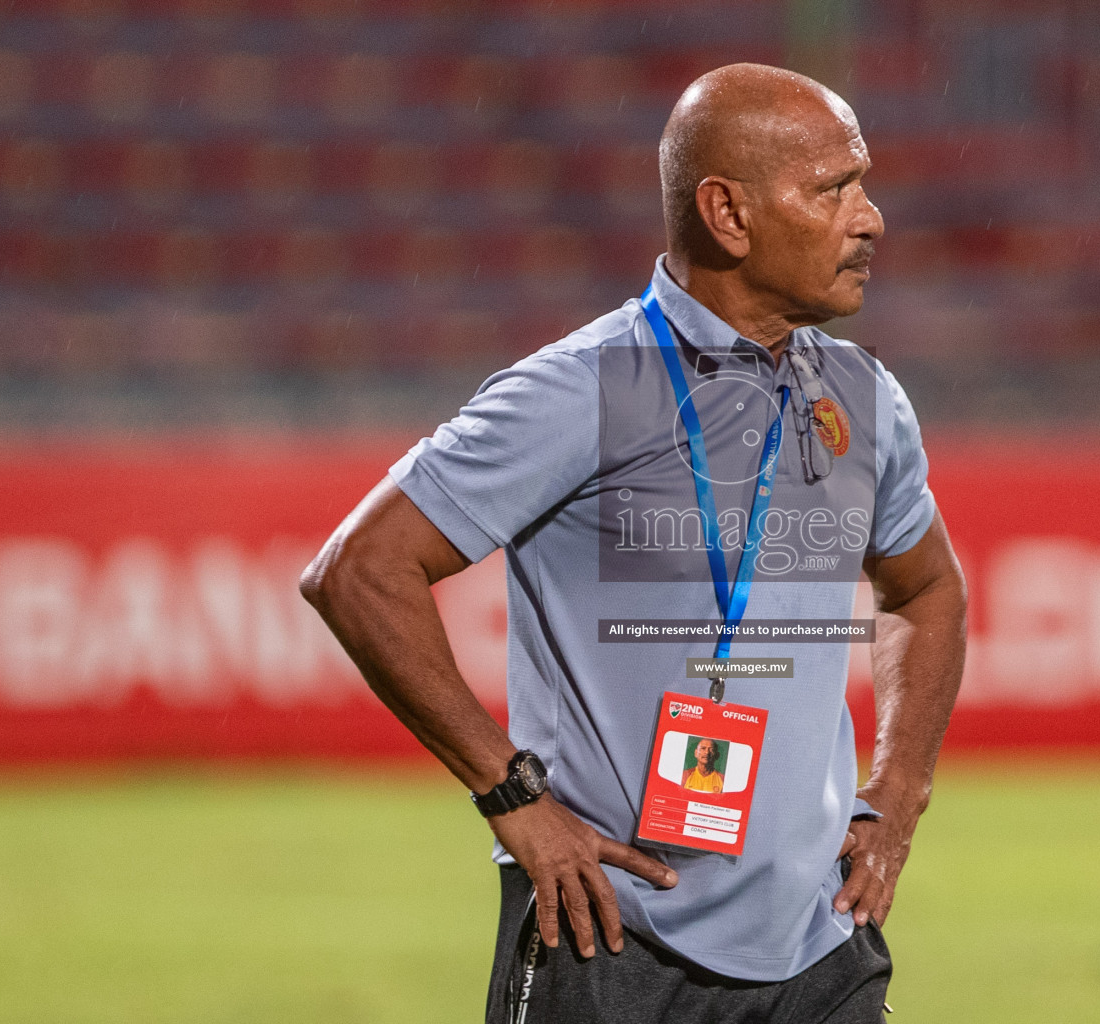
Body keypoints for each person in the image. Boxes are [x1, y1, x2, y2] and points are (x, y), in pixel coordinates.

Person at [301, 62, 967, 1024]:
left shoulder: (861, 400)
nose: (869, 219)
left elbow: (925, 592)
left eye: (861, 184)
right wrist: (514, 800)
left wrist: (898, 790)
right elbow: (359, 572)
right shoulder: (586, 388)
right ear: (727, 215)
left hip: (822, 948)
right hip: (610, 940)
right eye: (832, 188)